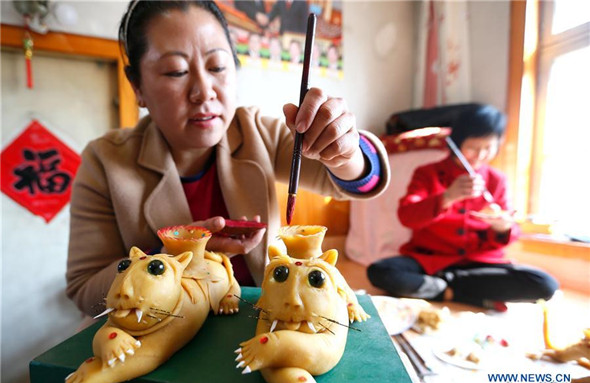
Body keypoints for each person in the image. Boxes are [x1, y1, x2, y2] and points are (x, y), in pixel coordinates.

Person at [65, 0, 390, 317]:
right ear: (137, 86)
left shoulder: (257, 132)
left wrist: (345, 150)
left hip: (262, 321)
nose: (203, 91)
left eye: (217, 66)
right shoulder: (105, 161)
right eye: (176, 71)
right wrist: (177, 254)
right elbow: (85, 290)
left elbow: (358, 180)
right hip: (155, 334)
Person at [367, 105, 558, 311]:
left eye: (488, 148)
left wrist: (502, 227)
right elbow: (406, 216)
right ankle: (469, 293)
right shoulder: (427, 173)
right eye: (473, 148)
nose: (480, 155)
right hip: (430, 260)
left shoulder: (496, 180)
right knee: (381, 271)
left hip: (478, 264)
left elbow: (508, 232)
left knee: (545, 285)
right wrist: (447, 197)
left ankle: (443, 289)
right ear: (456, 144)